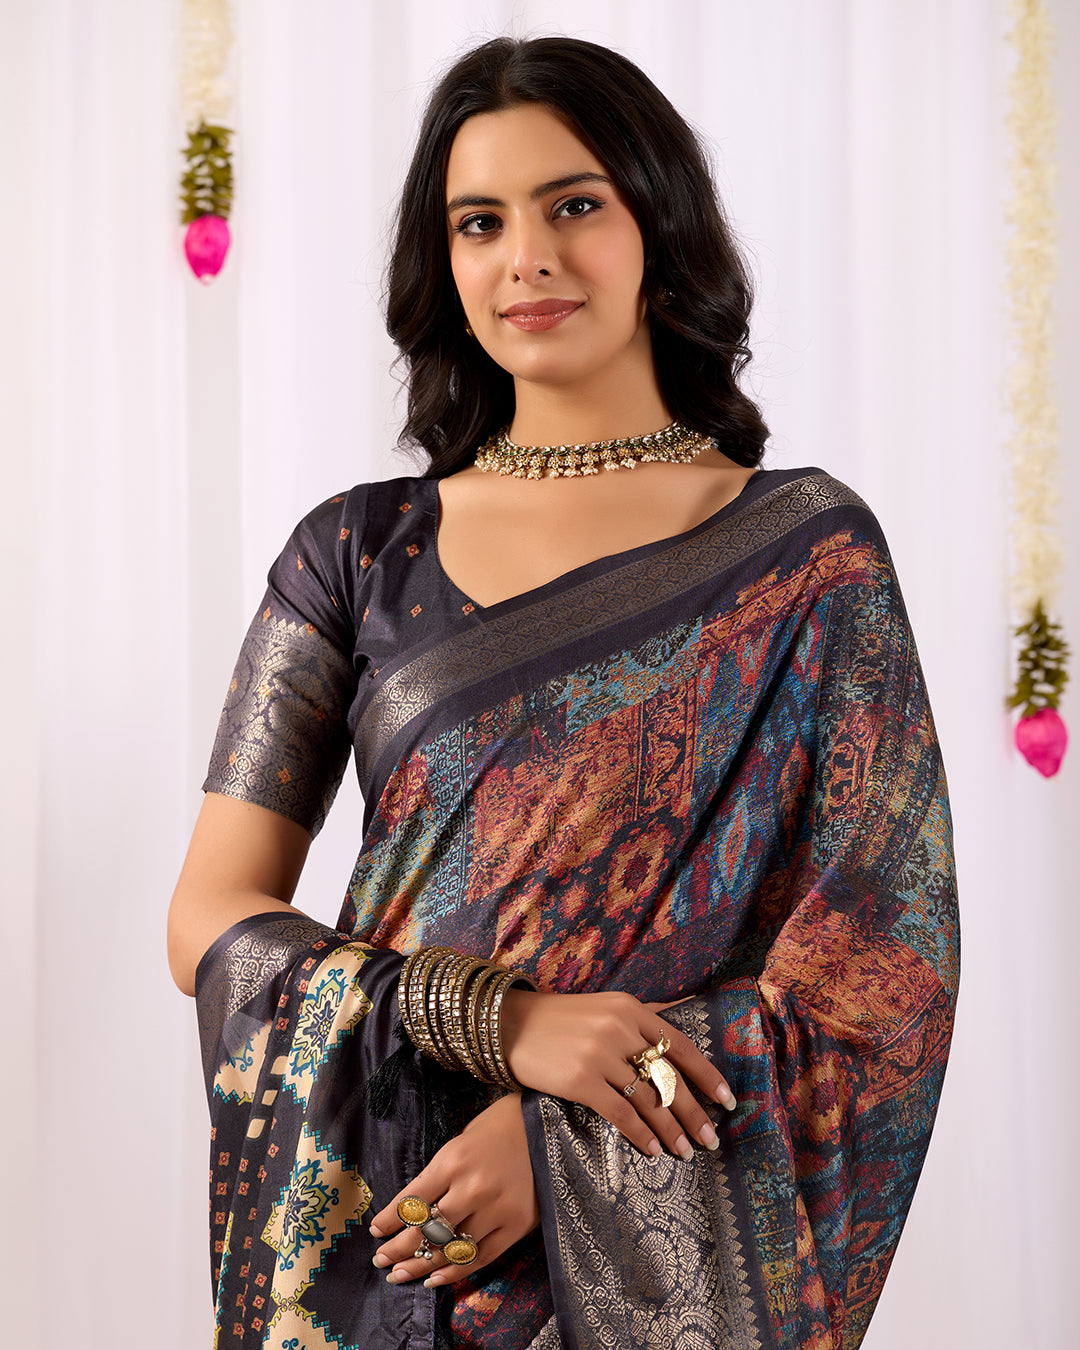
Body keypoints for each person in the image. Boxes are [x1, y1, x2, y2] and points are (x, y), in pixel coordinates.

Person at [169, 35, 959, 1350]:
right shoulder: (357, 553)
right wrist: (505, 1026)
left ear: (661, 227)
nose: (526, 257)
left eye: (574, 205)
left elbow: (885, 964)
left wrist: (565, 1139)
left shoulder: (810, 557)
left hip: (656, 1215)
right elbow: (209, 914)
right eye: (480, 222)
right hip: (397, 1219)